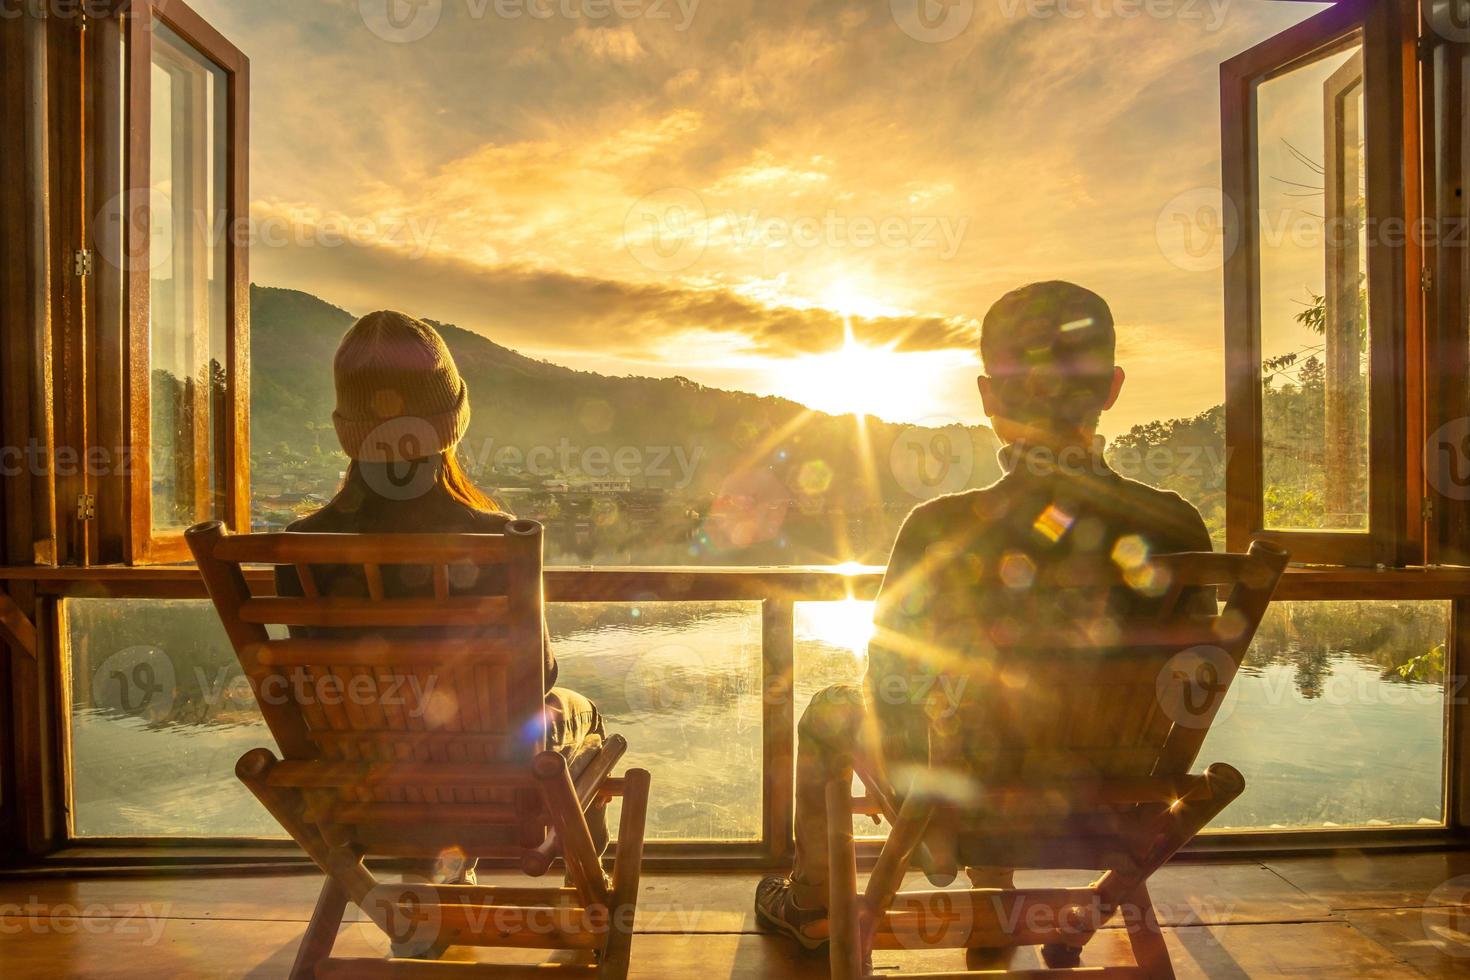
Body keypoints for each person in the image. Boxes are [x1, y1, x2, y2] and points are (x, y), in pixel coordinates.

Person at [754, 281, 1214, 963]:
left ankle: (816, 903)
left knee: (834, 710)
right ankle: (996, 887)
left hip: (960, 804)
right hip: (1116, 802)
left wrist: (930, 795)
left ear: (989, 398)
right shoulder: (1177, 526)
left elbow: (890, 690)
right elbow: (1194, 682)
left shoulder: (939, 530)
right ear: (1112, 388)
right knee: (985, 723)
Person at [276, 310, 608, 903]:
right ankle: (588, 885)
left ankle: (430, 878)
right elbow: (543, 676)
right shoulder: (498, 539)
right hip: (489, 773)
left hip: (363, 776)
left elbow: (308, 689)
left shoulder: (301, 549)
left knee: (410, 724)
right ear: (451, 423)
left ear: (346, 429)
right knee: (574, 711)